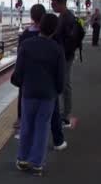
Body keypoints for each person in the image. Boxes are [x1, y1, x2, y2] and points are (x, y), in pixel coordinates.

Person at [11, 14, 66, 176]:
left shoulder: (27, 45)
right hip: (48, 95)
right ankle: (37, 164)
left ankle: (22, 159)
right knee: (43, 127)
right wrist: (57, 90)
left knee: (27, 124)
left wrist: (19, 82)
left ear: (40, 26)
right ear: (54, 30)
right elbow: (61, 76)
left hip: (29, 93)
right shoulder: (57, 49)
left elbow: (18, 71)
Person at [14, 4, 46, 136]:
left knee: (23, 96)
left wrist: (18, 73)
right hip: (44, 74)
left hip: (27, 75)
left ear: (32, 16)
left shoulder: (25, 35)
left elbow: (20, 55)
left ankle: (21, 120)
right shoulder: (47, 34)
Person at [51, 0, 76, 128]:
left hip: (66, 56)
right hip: (64, 55)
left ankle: (66, 115)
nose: (52, 5)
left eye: (53, 3)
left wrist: (61, 53)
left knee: (65, 84)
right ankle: (63, 113)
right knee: (64, 84)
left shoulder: (68, 18)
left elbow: (69, 41)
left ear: (60, 3)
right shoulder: (63, 16)